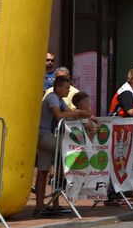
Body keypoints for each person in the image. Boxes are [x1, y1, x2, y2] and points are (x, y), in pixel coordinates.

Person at [35, 75, 92, 216]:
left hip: (44, 138)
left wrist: (81, 114)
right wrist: (80, 115)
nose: (68, 90)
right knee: (71, 151)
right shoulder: (53, 98)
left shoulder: (59, 99)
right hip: (46, 137)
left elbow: (70, 113)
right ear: (58, 87)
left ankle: (42, 205)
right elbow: (59, 115)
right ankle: (55, 196)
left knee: (42, 171)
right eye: (66, 88)